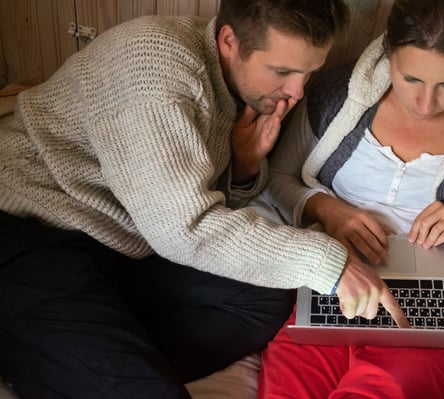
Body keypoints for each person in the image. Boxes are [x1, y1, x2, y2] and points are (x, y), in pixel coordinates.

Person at [0, 1, 399, 398]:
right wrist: (329, 262)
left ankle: (61, 358)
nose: (296, 92)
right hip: (32, 231)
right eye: (282, 71)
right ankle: (60, 353)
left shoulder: (237, 82)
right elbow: (181, 228)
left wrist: (242, 167)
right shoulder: (154, 67)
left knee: (266, 296)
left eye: (307, 72)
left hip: (123, 244)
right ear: (229, 40)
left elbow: (188, 200)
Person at [256, 0, 444, 397]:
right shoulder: (339, 97)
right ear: (387, 51)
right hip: (340, 283)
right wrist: (327, 209)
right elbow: (277, 178)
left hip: (440, 299)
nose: (426, 105)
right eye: (411, 79)